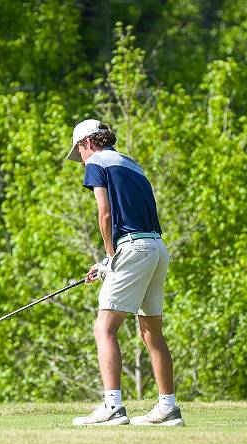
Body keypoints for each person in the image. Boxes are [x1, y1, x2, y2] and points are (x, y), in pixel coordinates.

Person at [67, 119, 184, 427]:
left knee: (104, 327)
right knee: (151, 331)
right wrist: (112, 258)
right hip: (156, 248)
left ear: (87, 143)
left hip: (132, 249)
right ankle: (168, 408)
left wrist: (110, 256)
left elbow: (104, 212)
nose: (80, 159)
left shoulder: (97, 162)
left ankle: (113, 407)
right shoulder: (130, 163)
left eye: (79, 151)